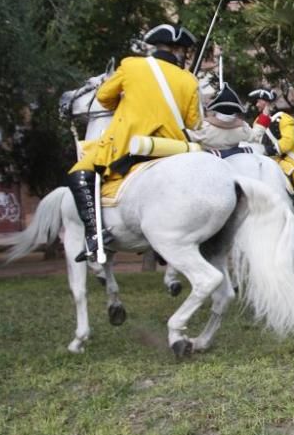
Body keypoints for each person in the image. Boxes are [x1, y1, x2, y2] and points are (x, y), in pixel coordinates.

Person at [67, 23, 202, 262]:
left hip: (128, 144)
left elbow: (103, 97)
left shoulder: (131, 66)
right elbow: (193, 122)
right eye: (184, 52)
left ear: (158, 46)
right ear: (178, 51)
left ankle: (96, 235)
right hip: (172, 148)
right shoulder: (189, 80)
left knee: (79, 172)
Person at [248, 88, 294, 222]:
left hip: (285, 159)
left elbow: (288, 142)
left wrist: (269, 150)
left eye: (258, 101)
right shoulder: (258, 122)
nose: (256, 105)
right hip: (265, 160)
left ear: (266, 102)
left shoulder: (284, 118)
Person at [187, 84, 252, 151]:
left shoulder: (205, 127)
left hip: (209, 159)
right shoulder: (243, 128)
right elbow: (252, 136)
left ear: (216, 108)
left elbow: (188, 136)